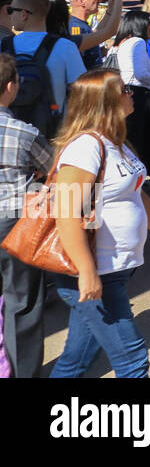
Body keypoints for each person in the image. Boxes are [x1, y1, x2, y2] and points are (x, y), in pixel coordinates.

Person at [50, 70, 150, 377]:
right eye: (125, 89)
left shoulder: (118, 143)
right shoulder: (84, 148)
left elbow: (137, 197)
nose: (132, 94)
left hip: (115, 269)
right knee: (133, 360)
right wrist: (87, 273)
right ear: (106, 101)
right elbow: (66, 214)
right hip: (94, 271)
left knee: (75, 361)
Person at [0, 53, 55, 378]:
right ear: (10, 87)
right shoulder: (24, 132)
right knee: (23, 303)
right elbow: (54, 168)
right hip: (13, 223)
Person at [3, 0, 86, 120]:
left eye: (11, 10)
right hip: (51, 129)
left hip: (7, 127)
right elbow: (82, 89)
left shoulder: (3, 46)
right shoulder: (65, 46)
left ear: (24, 14)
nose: (10, 14)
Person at [67, 0, 123, 70]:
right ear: (81, 1)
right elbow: (111, 31)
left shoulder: (79, 23)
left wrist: (110, 10)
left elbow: (94, 34)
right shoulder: (75, 27)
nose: (99, 0)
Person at [109, 11, 150, 89]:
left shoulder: (120, 42)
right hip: (135, 91)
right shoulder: (138, 42)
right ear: (140, 26)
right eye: (149, 24)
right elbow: (140, 74)